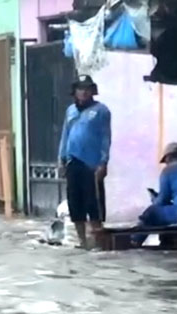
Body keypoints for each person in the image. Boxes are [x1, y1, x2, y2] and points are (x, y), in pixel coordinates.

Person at [57, 75, 112, 247]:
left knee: (94, 203)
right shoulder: (70, 111)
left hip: (92, 164)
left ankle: (98, 241)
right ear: (75, 92)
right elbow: (65, 135)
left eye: (87, 89)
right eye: (80, 89)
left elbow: (105, 137)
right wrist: (61, 158)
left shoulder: (101, 111)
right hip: (73, 161)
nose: (84, 92)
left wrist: (103, 162)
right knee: (75, 202)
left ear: (92, 91)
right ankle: (82, 241)